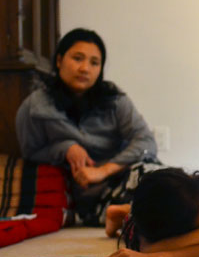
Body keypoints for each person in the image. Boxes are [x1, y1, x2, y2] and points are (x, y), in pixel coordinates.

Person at [15, 28, 158, 227]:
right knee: (156, 199)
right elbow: (31, 153)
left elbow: (146, 142)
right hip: (91, 194)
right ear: (59, 61)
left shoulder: (115, 99)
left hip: (127, 172)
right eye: (77, 58)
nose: (85, 68)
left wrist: (104, 170)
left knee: (159, 180)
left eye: (94, 63)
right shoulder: (35, 107)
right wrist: (65, 148)